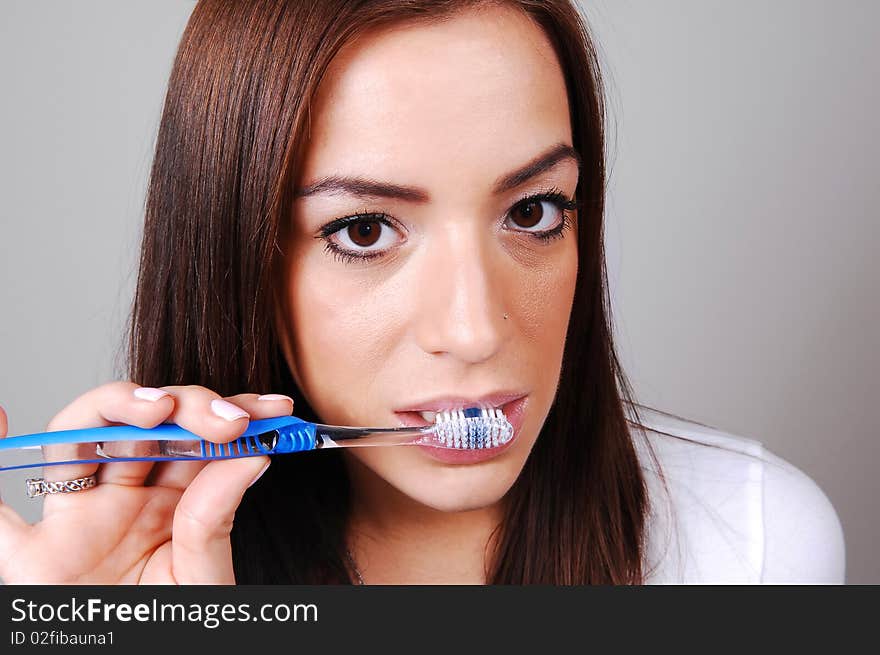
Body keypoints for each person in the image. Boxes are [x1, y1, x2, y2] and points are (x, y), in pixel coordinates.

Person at [0, 0, 844, 585]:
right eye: (364, 229)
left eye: (533, 211)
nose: (475, 329)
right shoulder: (133, 579)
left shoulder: (754, 543)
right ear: (235, 256)